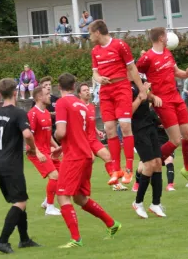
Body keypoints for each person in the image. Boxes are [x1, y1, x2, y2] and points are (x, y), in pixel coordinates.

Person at [54, 73, 122, 248]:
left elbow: (61, 132)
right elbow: (82, 134)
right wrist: (65, 146)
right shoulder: (82, 106)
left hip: (74, 157)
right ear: (74, 86)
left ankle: (76, 239)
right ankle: (112, 223)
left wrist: (57, 139)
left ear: (59, 86)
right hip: (85, 155)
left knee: (62, 196)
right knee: (79, 197)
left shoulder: (62, 103)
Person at [0, 78, 40, 253]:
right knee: (20, 202)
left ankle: (24, 239)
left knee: (19, 199)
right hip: (11, 164)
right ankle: (2, 241)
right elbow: (28, 134)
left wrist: (2, 147)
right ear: (15, 93)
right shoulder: (18, 113)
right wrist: (33, 149)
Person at [137, 27, 188, 187]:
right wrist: (150, 95)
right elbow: (135, 77)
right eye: (166, 35)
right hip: (163, 101)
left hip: (176, 97)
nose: (168, 37)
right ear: (161, 38)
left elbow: (178, 72)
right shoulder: (147, 58)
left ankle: (186, 169)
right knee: (175, 140)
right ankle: (148, 162)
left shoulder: (167, 53)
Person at [90, 19, 146, 185]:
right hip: (106, 91)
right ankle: (116, 169)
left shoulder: (120, 45)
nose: (89, 36)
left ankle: (128, 168)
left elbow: (132, 68)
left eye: (90, 33)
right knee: (109, 129)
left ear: (98, 32)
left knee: (125, 126)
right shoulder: (95, 51)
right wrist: (100, 78)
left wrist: (141, 89)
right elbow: (94, 72)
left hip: (121, 87)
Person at [77, 83, 128, 192]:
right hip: (83, 141)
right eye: (84, 90)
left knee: (108, 157)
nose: (87, 92)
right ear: (79, 94)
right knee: (88, 162)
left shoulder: (91, 107)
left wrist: (97, 131)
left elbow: (90, 123)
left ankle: (116, 183)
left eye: (88, 90)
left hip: (93, 140)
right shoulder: (77, 108)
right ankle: (76, 182)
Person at [130, 77, 167, 218]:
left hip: (150, 126)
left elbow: (149, 94)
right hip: (138, 129)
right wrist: (141, 96)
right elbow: (128, 111)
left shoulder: (140, 81)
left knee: (158, 163)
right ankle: (138, 202)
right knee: (149, 165)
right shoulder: (124, 88)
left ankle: (155, 204)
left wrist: (153, 96)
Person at [27, 86, 62, 215]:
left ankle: (47, 201)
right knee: (54, 176)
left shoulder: (47, 113)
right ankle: (50, 207)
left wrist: (57, 147)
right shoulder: (32, 114)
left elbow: (48, 135)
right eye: (47, 94)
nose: (50, 96)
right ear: (39, 97)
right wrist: (37, 152)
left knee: (62, 174)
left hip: (47, 151)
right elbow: (28, 136)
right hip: (36, 152)